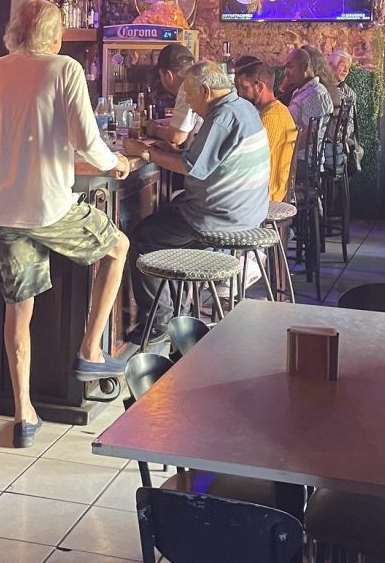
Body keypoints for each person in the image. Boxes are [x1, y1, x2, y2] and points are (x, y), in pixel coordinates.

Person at [0, 0, 131, 448]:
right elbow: (88, 142)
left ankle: (23, 413)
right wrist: (117, 162)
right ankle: (90, 350)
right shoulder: (64, 68)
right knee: (117, 246)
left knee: (17, 308)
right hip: (50, 207)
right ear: (56, 35)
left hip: (3, 208)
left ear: (14, 32)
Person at [122, 60, 269, 342]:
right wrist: (169, 151)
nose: (187, 101)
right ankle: (182, 312)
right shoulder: (243, 108)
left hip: (220, 217)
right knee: (167, 215)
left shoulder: (223, 118)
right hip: (248, 211)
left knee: (144, 237)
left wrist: (146, 153)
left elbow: (192, 167)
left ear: (205, 91)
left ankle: (161, 322)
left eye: (189, 95)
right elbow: (203, 159)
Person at [235, 60, 298, 203]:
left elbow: (252, 161)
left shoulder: (271, 117)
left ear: (260, 87)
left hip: (267, 194)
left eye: (244, 88)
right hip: (265, 189)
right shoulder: (276, 110)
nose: (240, 94)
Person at [283, 47, 334, 160]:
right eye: (285, 67)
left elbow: (308, 137)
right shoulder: (303, 90)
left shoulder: (315, 95)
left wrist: (282, 148)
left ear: (304, 67)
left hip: (303, 162)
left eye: (290, 66)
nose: (286, 72)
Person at [155, 42, 198, 147]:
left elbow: (177, 137)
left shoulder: (186, 88)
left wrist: (154, 130)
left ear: (168, 76)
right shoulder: (199, 79)